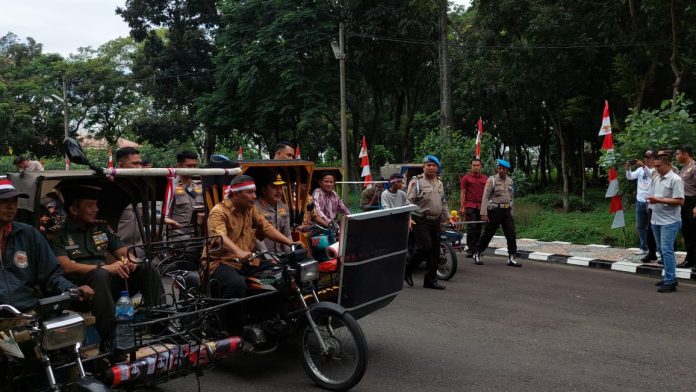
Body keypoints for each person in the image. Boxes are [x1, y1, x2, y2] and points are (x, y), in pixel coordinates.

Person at [51, 185, 164, 345]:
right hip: (78, 292)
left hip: (107, 287)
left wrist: (130, 261)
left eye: (96, 205)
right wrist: (104, 268)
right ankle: (111, 338)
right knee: (100, 274)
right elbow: (65, 266)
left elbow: (123, 252)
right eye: (91, 205)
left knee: (145, 267)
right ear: (74, 209)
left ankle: (160, 324)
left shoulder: (101, 227)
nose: (96, 209)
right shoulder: (58, 233)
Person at [202, 175, 296, 333]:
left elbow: (266, 228)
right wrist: (238, 251)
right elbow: (220, 238)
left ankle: (271, 319)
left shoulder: (250, 209)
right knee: (236, 285)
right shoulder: (219, 212)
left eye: (254, 192)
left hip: (247, 261)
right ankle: (234, 333)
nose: (254, 196)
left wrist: (290, 243)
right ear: (236, 194)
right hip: (220, 262)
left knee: (281, 273)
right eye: (250, 193)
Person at [0, 176, 93, 311]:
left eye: (14, 201)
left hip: (27, 312)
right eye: (4, 202)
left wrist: (71, 289)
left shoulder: (29, 234)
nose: (11, 206)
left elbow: (51, 275)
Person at [404, 155, 449, 290]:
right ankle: (407, 269)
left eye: (433, 165)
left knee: (435, 251)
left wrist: (447, 218)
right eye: (428, 165)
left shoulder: (439, 183)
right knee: (425, 248)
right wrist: (408, 218)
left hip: (435, 220)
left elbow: (443, 202)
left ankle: (430, 280)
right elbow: (408, 202)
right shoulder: (416, 182)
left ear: (437, 168)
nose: (431, 168)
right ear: (424, 167)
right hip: (420, 220)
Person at [472, 159, 521, 267]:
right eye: (499, 168)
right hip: (495, 210)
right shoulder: (492, 180)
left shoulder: (510, 181)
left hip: (506, 210)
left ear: (507, 170)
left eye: (503, 169)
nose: (501, 170)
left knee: (511, 234)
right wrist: (484, 213)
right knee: (488, 233)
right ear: (497, 169)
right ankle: (478, 252)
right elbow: (485, 196)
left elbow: (511, 197)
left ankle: (512, 257)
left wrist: (512, 210)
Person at [647, 152, 684, 292]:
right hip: (656, 219)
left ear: (668, 164)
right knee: (662, 250)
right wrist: (652, 202)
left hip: (670, 221)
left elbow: (680, 201)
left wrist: (658, 200)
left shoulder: (676, 179)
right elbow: (654, 196)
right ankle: (670, 277)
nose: (656, 168)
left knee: (667, 250)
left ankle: (670, 282)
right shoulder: (657, 178)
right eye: (655, 166)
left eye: (659, 166)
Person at [625, 150, 658, 262]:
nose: (647, 159)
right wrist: (628, 169)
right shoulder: (640, 169)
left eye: (649, 157)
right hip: (640, 201)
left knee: (652, 227)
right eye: (645, 157)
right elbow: (630, 177)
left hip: (651, 202)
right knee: (640, 226)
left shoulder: (656, 170)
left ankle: (655, 249)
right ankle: (643, 247)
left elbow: (652, 176)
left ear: (654, 158)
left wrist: (644, 166)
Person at [167, 151, 204, 239]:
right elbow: (164, 214)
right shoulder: (171, 187)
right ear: (179, 166)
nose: (193, 169)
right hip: (178, 237)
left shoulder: (200, 185)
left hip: (199, 235)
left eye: (195, 166)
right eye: (189, 166)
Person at [459, 158, 488, 258]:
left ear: (481, 166)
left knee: (479, 228)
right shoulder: (466, 178)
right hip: (470, 205)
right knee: (472, 227)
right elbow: (463, 192)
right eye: (474, 165)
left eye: (477, 165)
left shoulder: (485, 178)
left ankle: (477, 249)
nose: (476, 167)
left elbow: (488, 193)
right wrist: (462, 206)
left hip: (481, 206)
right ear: (471, 166)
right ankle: (470, 249)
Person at [256, 174, 292, 253]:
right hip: (262, 255)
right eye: (274, 187)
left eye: (280, 187)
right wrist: (268, 257)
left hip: (280, 254)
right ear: (264, 189)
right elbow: (256, 238)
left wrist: (290, 253)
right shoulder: (255, 208)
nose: (279, 191)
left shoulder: (283, 207)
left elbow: (287, 234)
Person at [675, 145, 696, 268]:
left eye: (678, 154)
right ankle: (690, 259)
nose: (676, 156)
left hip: (693, 203)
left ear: (686, 154)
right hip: (684, 203)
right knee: (687, 232)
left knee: (694, 232)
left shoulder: (694, 168)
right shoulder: (683, 169)